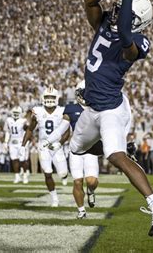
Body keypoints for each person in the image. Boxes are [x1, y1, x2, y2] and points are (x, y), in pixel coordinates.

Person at [66, 0, 153, 237]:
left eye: (121, 9)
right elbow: (89, 1)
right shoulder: (103, 23)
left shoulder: (138, 43)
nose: (115, 11)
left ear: (136, 20)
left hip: (112, 109)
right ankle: (127, 149)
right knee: (76, 150)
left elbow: (126, 35)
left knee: (114, 155)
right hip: (91, 108)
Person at [40, 80, 100, 219]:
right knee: (77, 181)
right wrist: (48, 140)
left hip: (91, 150)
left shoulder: (98, 108)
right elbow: (62, 128)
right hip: (75, 151)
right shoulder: (71, 109)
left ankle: (91, 191)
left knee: (91, 181)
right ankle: (81, 211)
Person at [21, 86, 69, 207]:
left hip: (57, 147)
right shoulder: (38, 111)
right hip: (43, 146)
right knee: (47, 172)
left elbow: (67, 131)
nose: (49, 99)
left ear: (57, 98)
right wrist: (23, 145)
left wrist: (60, 143)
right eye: (47, 97)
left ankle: (63, 176)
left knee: (63, 173)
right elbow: (30, 130)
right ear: (43, 98)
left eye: (52, 97)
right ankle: (54, 199)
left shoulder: (62, 111)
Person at [3, 107, 29, 183]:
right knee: (14, 160)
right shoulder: (8, 120)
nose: (15, 114)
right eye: (14, 113)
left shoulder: (23, 121)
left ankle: (24, 175)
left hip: (21, 142)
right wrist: (5, 142)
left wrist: (25, 143)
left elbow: (27, 131)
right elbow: (7, 132)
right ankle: (17, 176)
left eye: (17, 113)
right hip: (12, 142)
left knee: (22, 160)